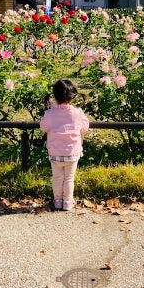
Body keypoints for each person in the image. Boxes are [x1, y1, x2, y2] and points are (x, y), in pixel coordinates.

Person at [40, 79, 89, 211]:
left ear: (54, 96)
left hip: (55, 153)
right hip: (72, 153)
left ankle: (57, 201)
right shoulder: (77, 113)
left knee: (57, 178)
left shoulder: (50, 113)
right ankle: (67, 202)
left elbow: (43, 126)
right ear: (73, 96)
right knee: (69, 179)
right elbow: (85, 126)